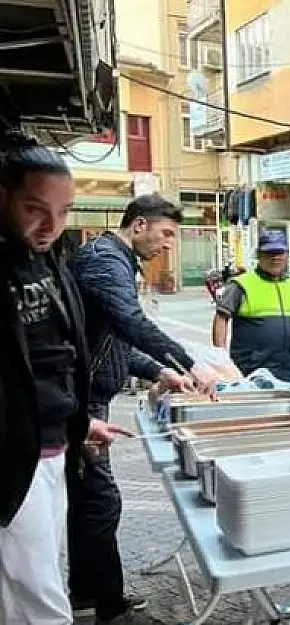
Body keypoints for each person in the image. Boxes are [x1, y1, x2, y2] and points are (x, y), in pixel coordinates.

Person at [0, 144, 130, 625]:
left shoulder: (51, 262)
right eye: (35, 209)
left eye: (62, 212)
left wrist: (80, 422)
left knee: (35, 579)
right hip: (14, 457)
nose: (50, 225)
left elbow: (59, 358)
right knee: (39, 596)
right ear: (3, 198)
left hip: (55, 447)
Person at [67, 193, 205, 623]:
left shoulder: (114, 260)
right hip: (80, 401)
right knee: (100, 501)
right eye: (165, 233)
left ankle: (86, 592)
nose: (168, 244)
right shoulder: (108, 262)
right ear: (139, 225)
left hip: (89, 396)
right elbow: (130, 323)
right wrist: (189, 362)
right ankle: (104, 607)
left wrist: (159, 371)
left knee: (88, 500)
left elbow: (114, 342)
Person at [212, 230, 290, 385]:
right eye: (269, 253)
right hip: (251, 371)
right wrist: (221, 357)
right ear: (259, 255)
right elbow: (221, 317)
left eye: (279, 252)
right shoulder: (241, 284)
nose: (275, 257)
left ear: (287, 254)